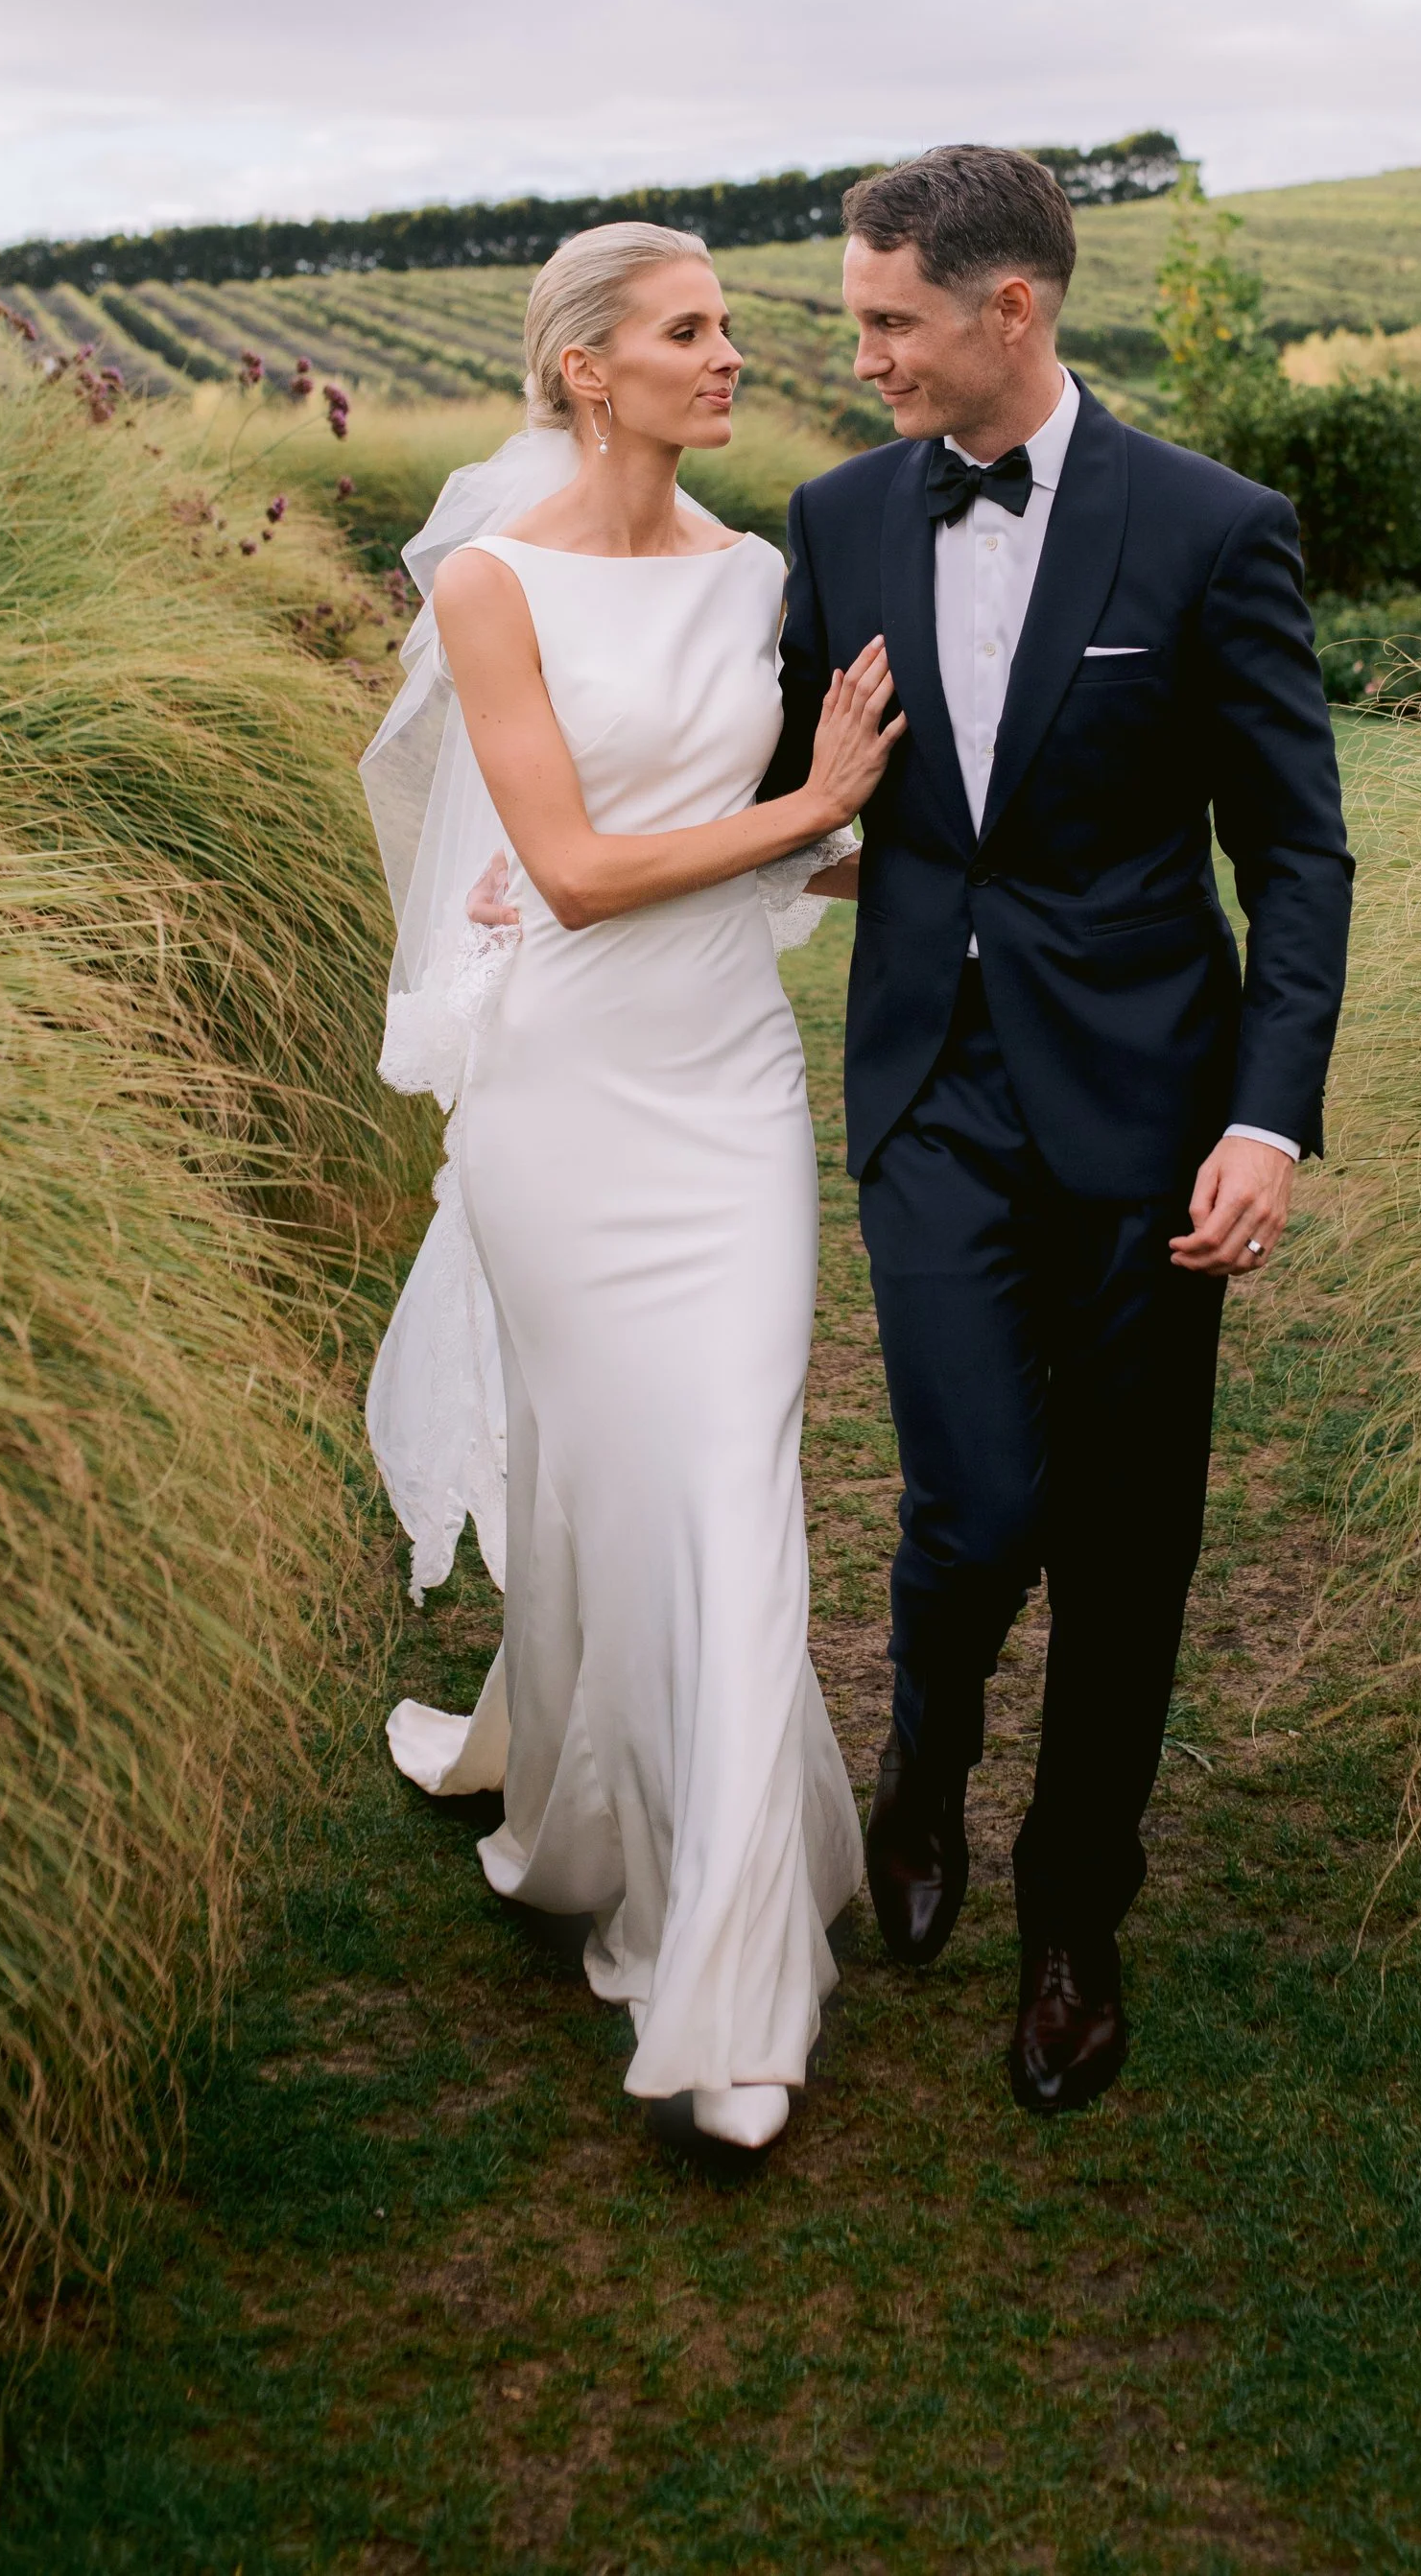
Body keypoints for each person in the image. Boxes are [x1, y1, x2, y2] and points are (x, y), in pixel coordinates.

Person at [762, 144, 1352, 2115]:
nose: (860, 359)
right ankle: (920, 1766)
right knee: (977, 1503)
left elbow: (1295, 854)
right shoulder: (836, 519)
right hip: (930, 1090)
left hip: (1147, 1116)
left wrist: (1266, 1125)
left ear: (1006, 307)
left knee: (1126, 1549)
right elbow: (781, 787)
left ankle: (1071, 1912)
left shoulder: (1208, 529)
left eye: (888, 322)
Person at [360, 222, 898, 2153]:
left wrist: (878, 848)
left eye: (728, 328)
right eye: (689, 331)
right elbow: (576, 869)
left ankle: (727, 1980)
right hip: (564, 1097)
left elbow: (749, 860)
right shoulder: (494, 587)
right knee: (607, 1481)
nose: (730, 354)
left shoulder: (756, 571)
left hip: (724, 1086)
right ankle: (574, 1794)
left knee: (731, 1480)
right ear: (586, 368)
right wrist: (812, 805)